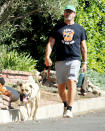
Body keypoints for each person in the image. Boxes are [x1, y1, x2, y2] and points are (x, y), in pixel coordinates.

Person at [45, 5, 87, 118]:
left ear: (74, 14)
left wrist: (85, 62)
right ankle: (65, 104)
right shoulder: (57, 28)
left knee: (72, 81)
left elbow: (83, 47)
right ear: (64, 13)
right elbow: (50, 43)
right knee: (61, 87)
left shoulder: (80, 29)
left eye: (70, 11)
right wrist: (47, 56)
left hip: (75, 59)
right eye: (66, 11)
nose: (67, 13)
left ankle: (69, 109)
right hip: (60, 60)